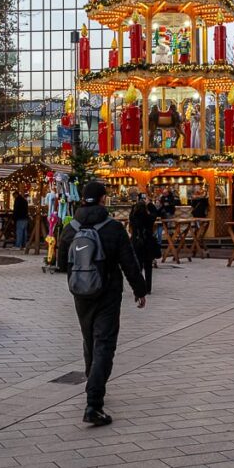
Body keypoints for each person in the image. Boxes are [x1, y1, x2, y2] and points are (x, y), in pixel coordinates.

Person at [58, 181, 147, 427]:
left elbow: (61, 263)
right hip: (108, 292)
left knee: (89, 339)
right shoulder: (113, 228)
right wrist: (139, 290)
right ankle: (94, 404)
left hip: (81, 293)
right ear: (102, 199)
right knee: (104, 344)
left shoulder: (71, 227)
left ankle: (92, 379)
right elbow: (129, 261)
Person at [129, 193, 159, 295]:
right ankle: (148, 288)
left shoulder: (133, 218)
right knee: (148, 266)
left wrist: (136, 205)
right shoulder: (149, 218)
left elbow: (131, 214)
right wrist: (149, 204)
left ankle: (139, 287)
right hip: (147, 244)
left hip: (136, 243)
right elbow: (155, 213)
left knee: (138, 267)